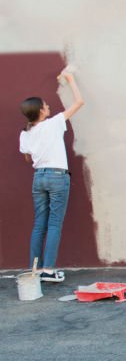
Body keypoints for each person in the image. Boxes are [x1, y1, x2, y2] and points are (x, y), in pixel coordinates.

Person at [19, 66, 85, 283]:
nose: (48, 107)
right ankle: (48, 270)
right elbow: (79, 103)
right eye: (46, 106)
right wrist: (70, 78)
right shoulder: (54, 123)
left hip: (38, 178)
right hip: (57, 176)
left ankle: (35, 269)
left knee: (40, 223)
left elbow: (28, 158)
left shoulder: (25, 133)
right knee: (54, 223)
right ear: (40, 111)